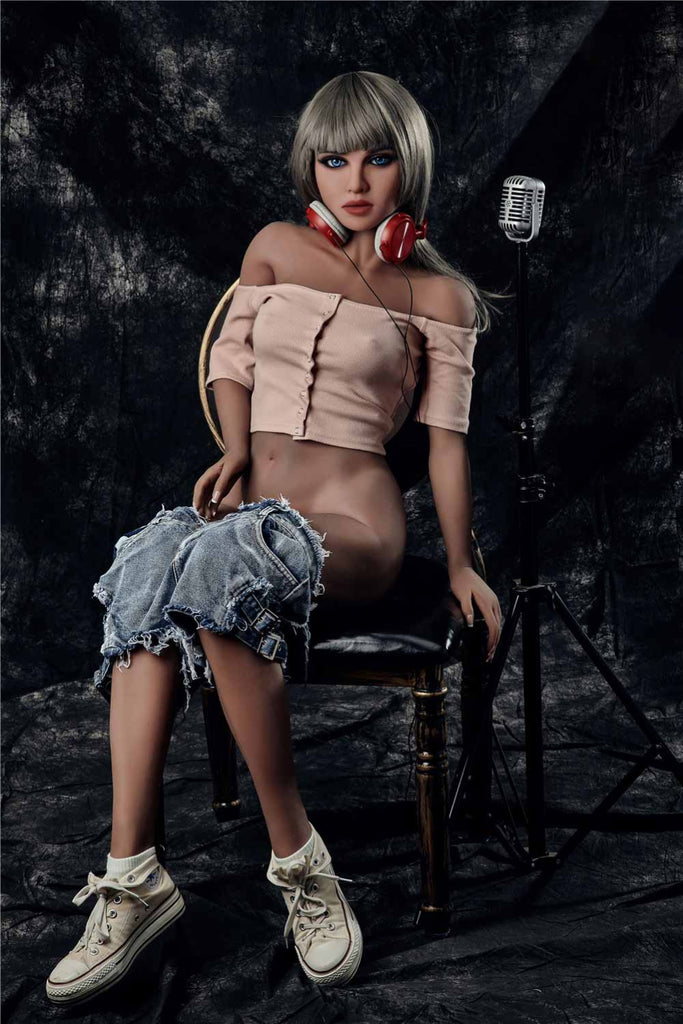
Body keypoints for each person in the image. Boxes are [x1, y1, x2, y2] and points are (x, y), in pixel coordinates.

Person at [45, 70, 503, 1004]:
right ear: (310, 170)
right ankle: (133, 876)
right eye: (333, 160)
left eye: (378, 158)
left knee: (219, 563)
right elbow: (232, 361)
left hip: (354, 526)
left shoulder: (437, 297)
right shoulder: (275, 248)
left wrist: (460, 562)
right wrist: (238, 449)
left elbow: (446, 445)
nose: (355, 180)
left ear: (409, 166)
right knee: (148, 564)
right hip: (249, 516)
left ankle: (299, 861)